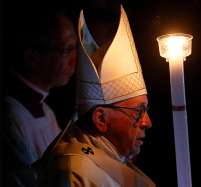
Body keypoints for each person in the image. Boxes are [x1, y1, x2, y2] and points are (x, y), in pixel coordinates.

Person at [36, 4, 156, 187]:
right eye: (138, 111)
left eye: (145, 110)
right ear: (101, 118)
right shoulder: (74, 172)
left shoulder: (106, 158)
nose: (147, 122)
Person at [0, 1, 78, 186]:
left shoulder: (46, 111)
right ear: (33, 57)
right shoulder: (11, 118)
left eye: (75, 48)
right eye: (67, 50)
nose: (75, 60)